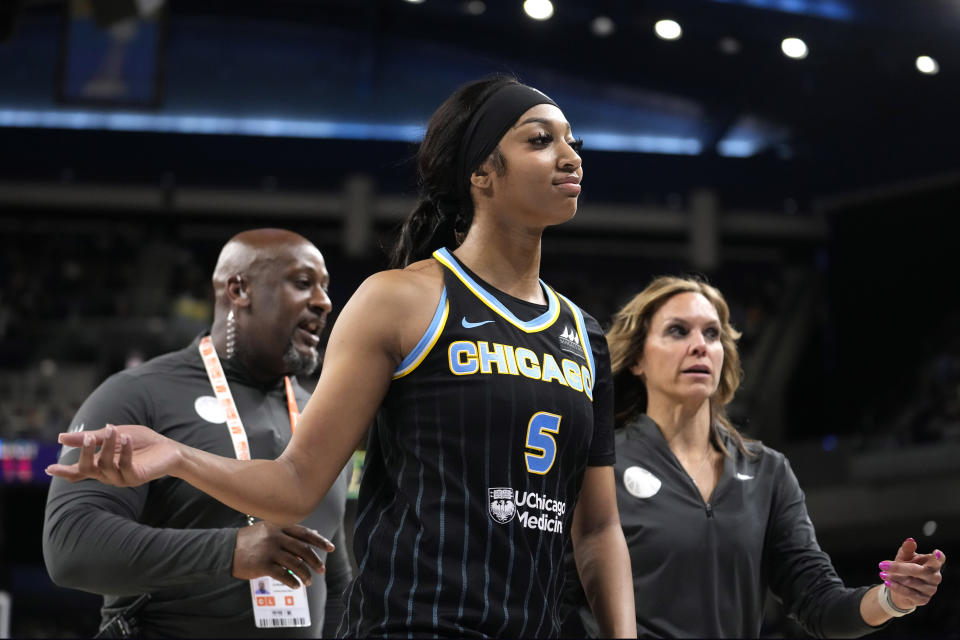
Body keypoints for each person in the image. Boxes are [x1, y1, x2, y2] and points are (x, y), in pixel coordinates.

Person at [47, 75, 637, 638]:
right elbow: (297, 483)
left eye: (571, 142)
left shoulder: (583, 333)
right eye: (541, 140)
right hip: (418, 626)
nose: (571, 157)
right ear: (481, 170)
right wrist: (178, 456)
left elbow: (598, 528)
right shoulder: (400, 300)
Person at [563, 275, 946, 638]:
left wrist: (893, 598)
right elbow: (557, 597)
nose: (699, 345)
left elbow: (818, 602)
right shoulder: (602, 461)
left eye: (711, 334)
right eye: (678, 331)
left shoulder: (768, 471)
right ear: (637, 360)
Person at [43, 229, 354, 638]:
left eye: (326, 288)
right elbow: (71, 547)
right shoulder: (137, 396)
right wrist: (229, 551)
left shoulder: (322, 419)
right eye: (302, 283)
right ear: (239, 289)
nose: (324, 302)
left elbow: (332, 578)